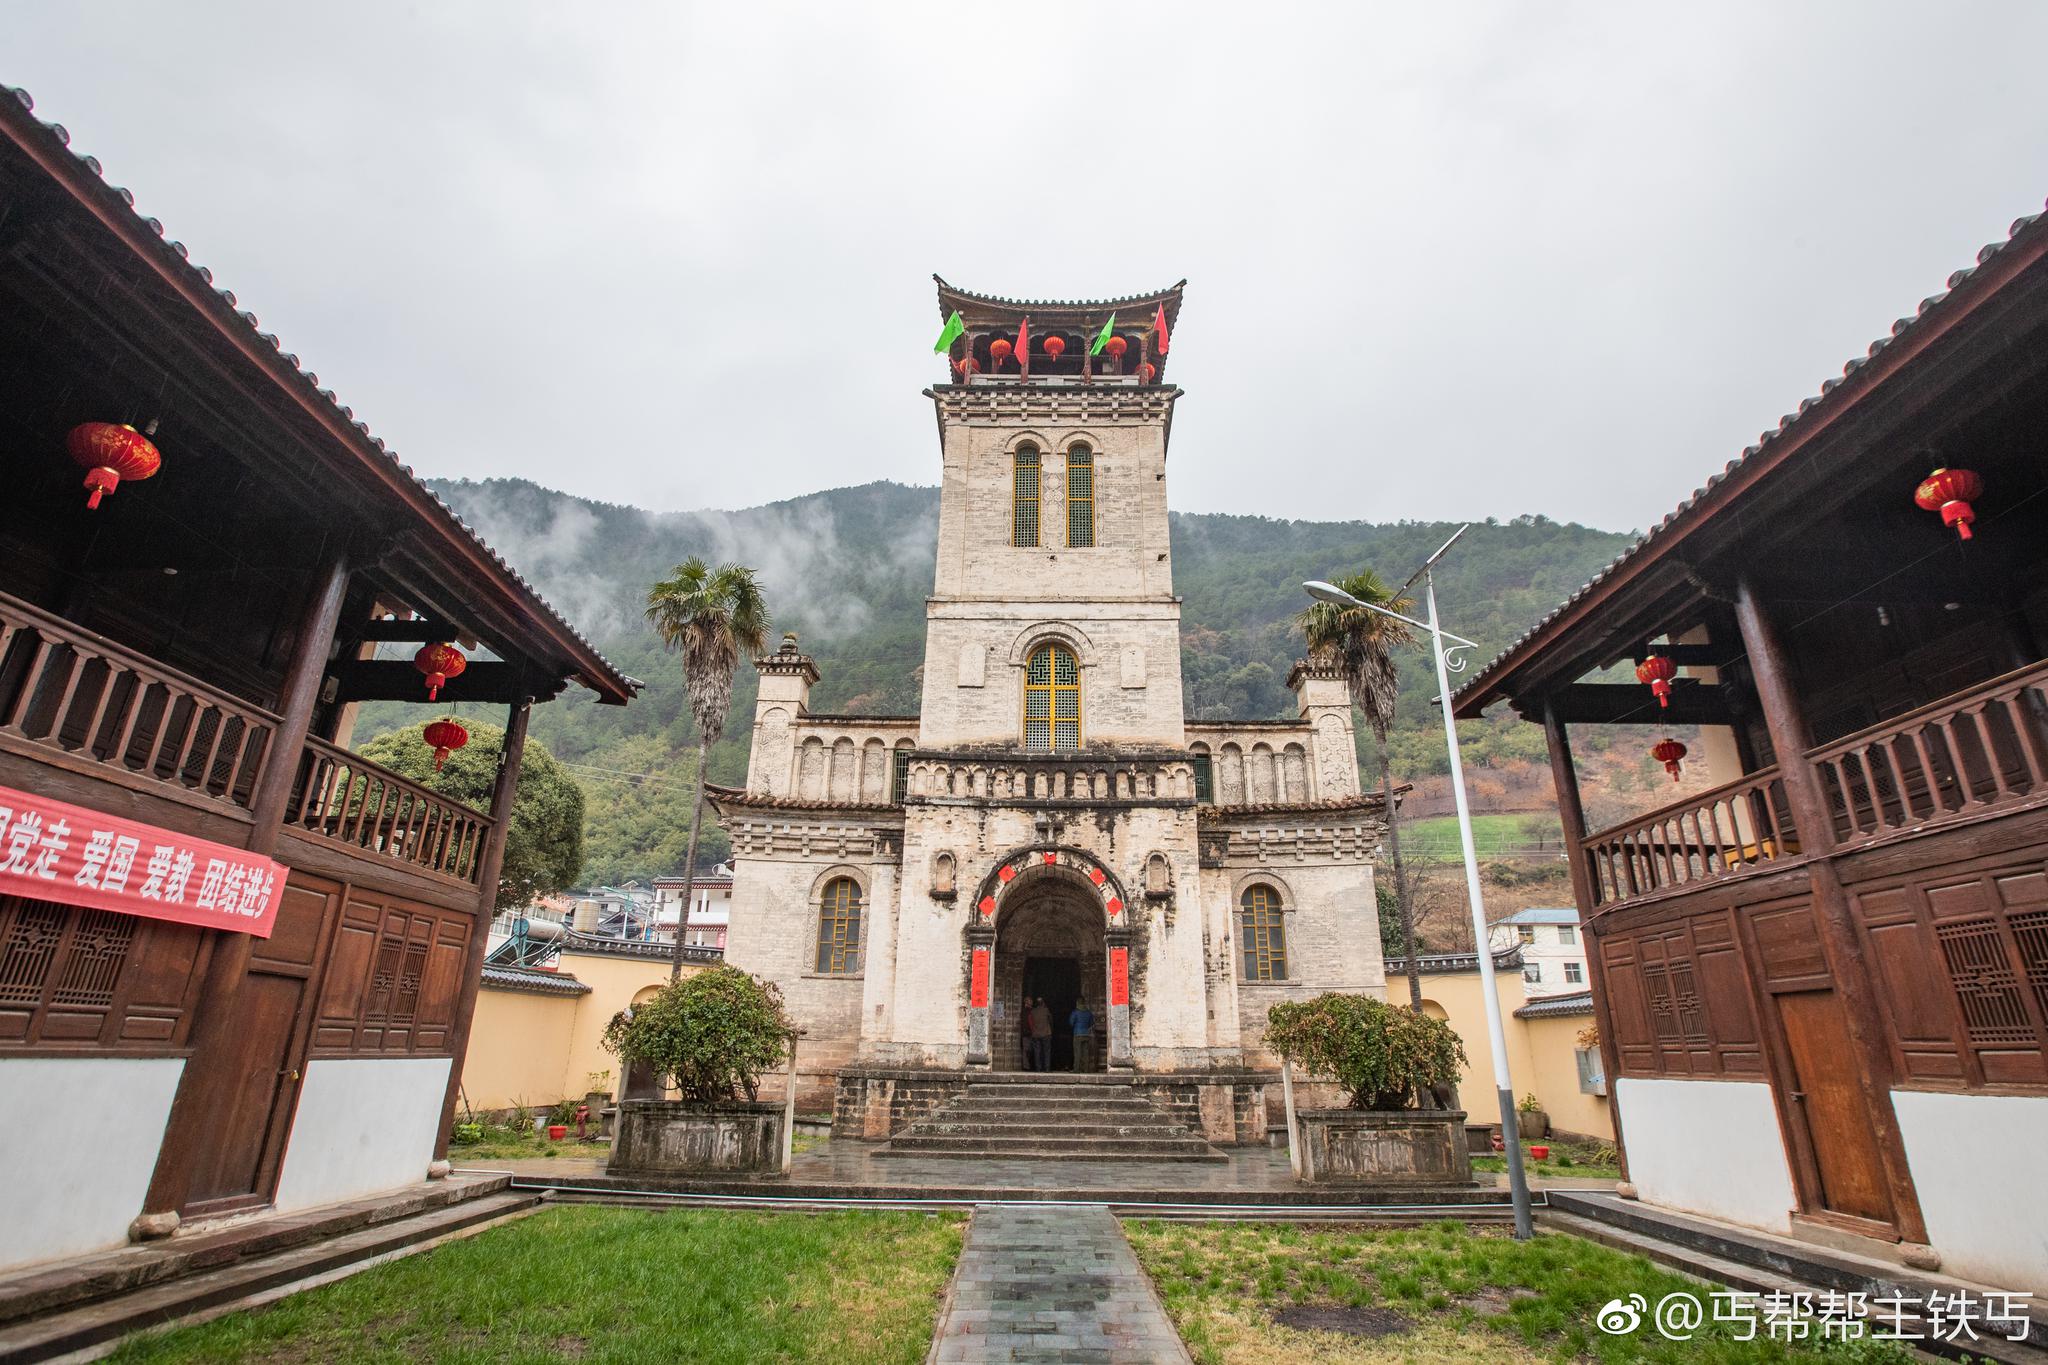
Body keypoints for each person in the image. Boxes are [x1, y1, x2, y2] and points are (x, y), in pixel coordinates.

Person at [1069, 996, 1096, 1073]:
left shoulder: (1075, 1012)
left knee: (1077, 1053)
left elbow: (1071, 1023)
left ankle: (1076, 1069)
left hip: (1077, 1034)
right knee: (1086, 1053)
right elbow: (1091, 1023)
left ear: (1077, 1003)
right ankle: (1086, 1069)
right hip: (1086, 1034)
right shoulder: (1088, 1013)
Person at [1028, 996, 1053, 1073]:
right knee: (1046, 1051)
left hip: (1036, 1034)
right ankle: (1047, 1068)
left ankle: (1038, 1068)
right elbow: (1051, 1020)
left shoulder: (1033, 1011)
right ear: (1043, 1003)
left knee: (1037, 1052)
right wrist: (1051, 1029)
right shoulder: (1046, 1010)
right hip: (1046, 1033)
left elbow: (1030, 1022)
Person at [1019, 997, 1037, 1071]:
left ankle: (1029, 1066)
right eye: (1030, 1001)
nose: (1031, 1003)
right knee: (1026, 1050)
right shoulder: (1025, 1011)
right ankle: (1026, 1066)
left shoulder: (1032, 1011)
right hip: (1027, 1033)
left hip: (1031, 1033)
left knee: (1030, 1050)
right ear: (1026, 1002)